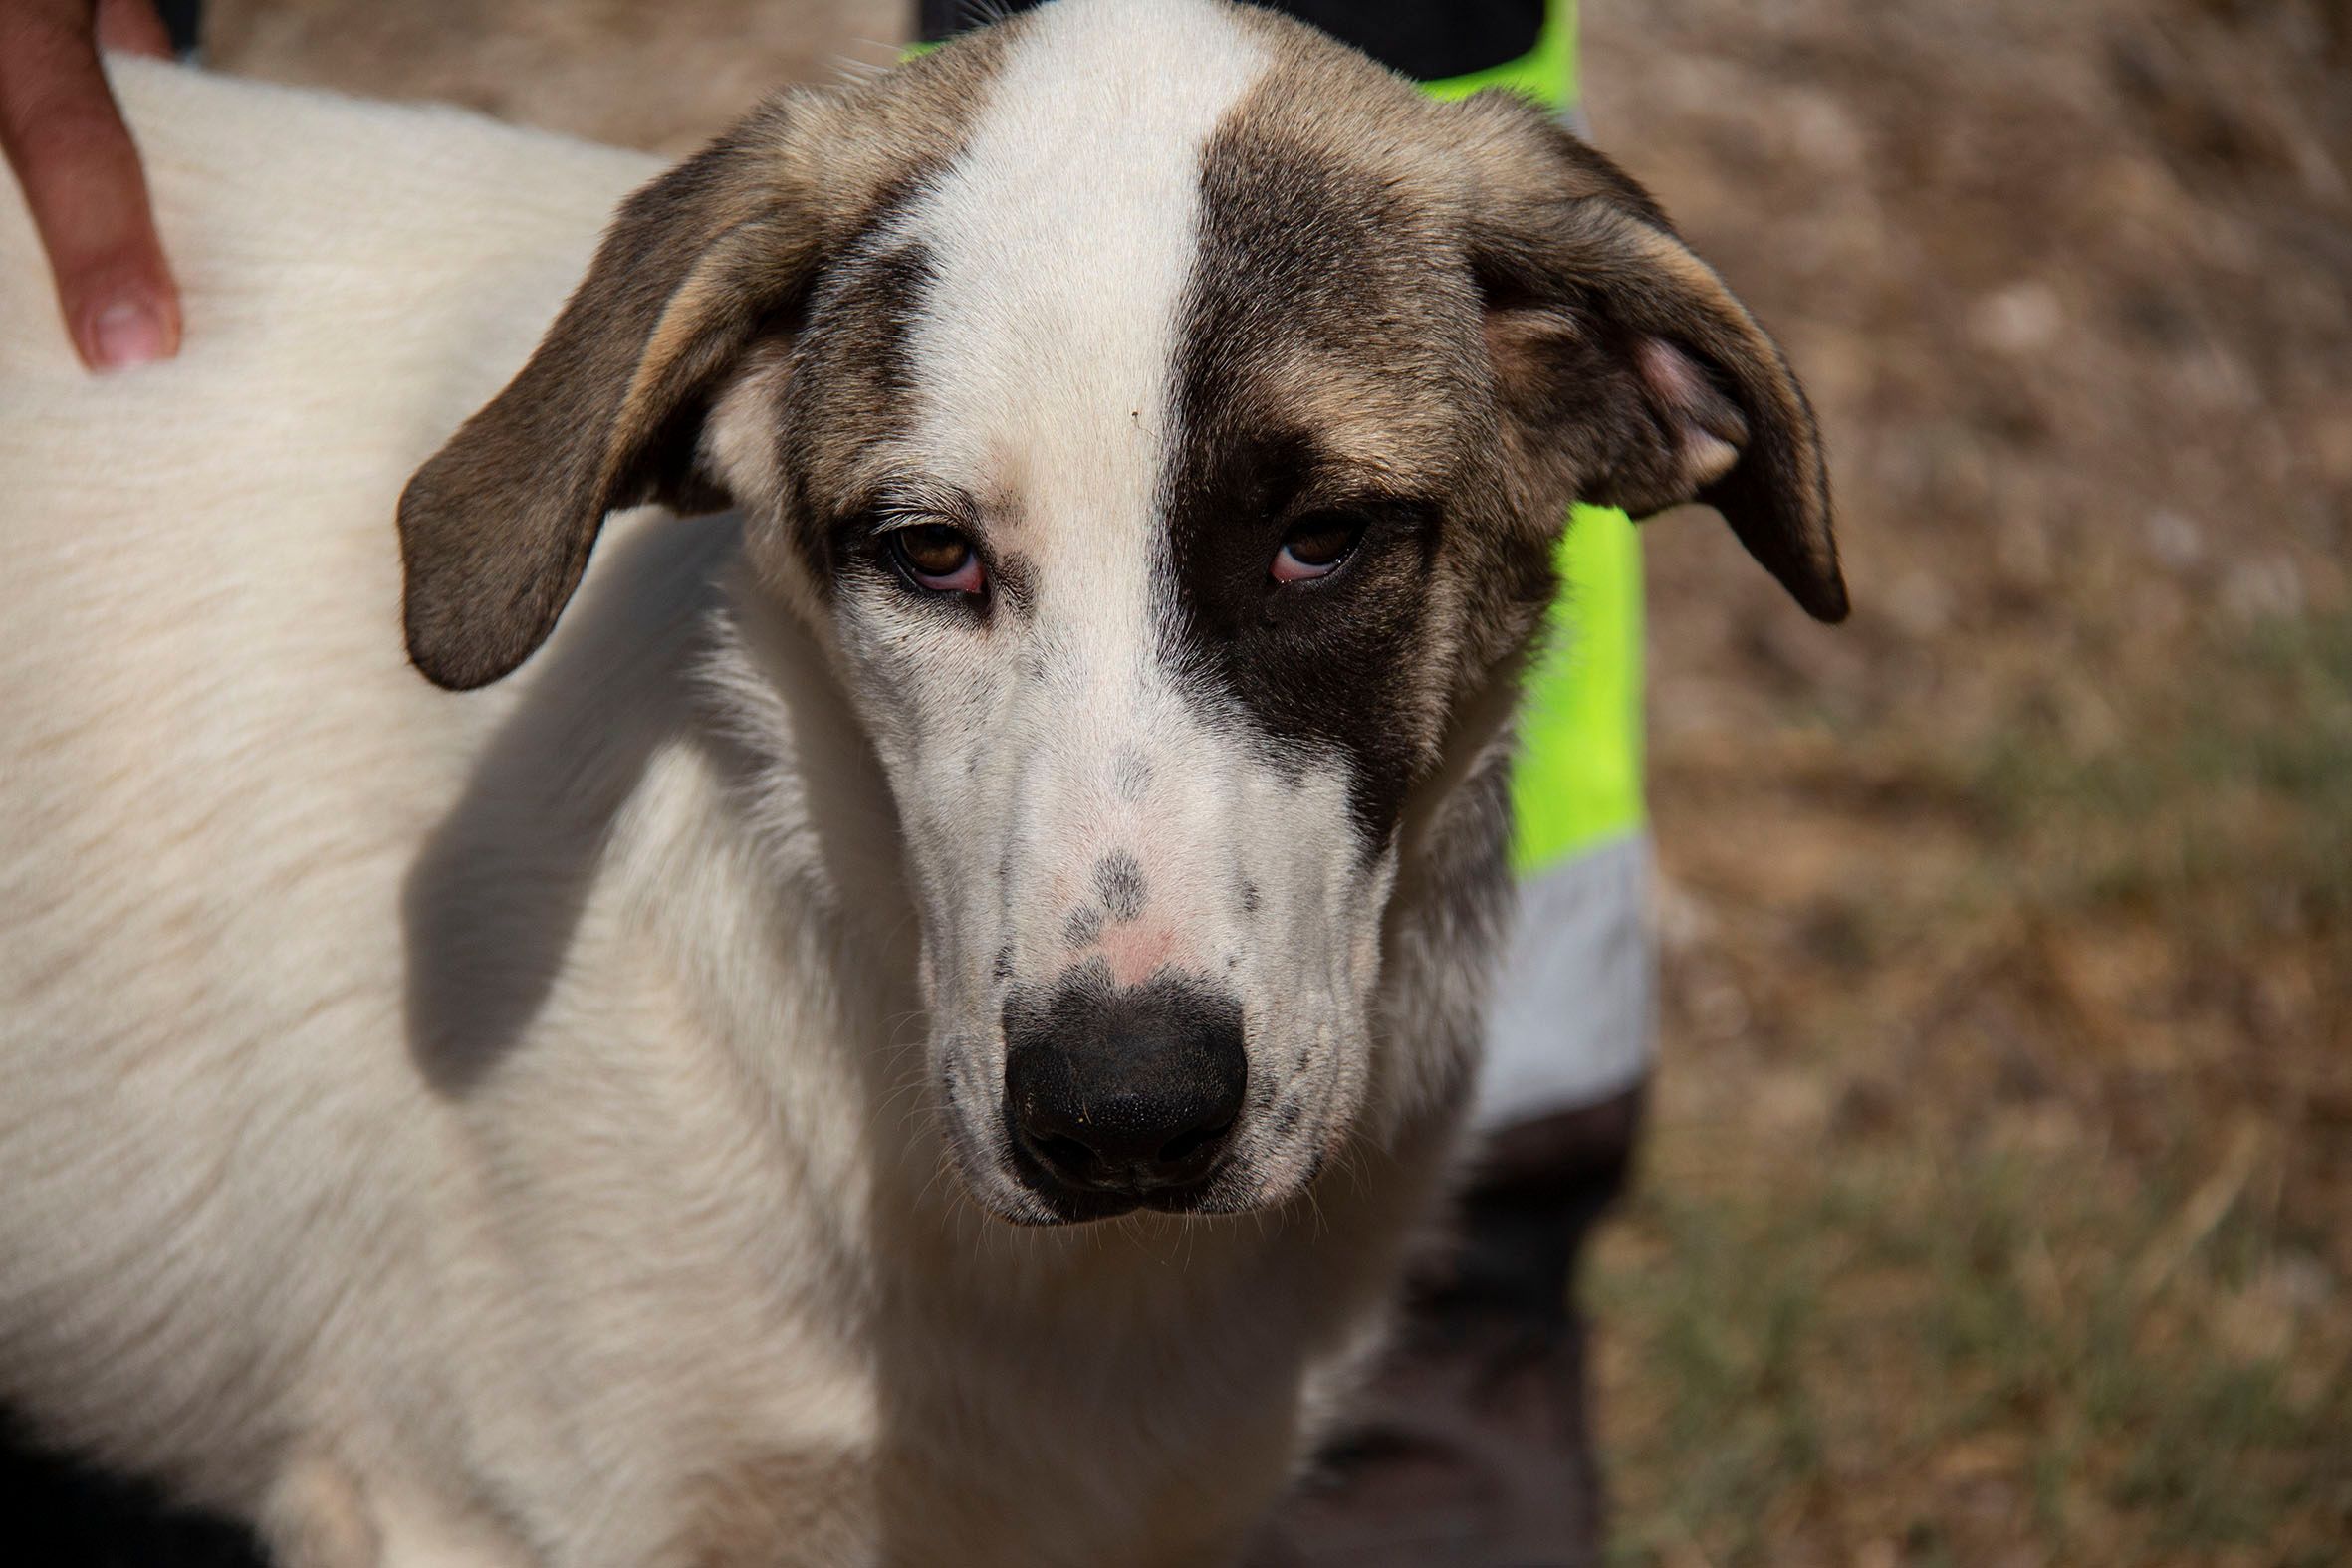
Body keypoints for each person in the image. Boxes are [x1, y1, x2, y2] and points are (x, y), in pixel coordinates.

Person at [3, 3, 1650, 1562]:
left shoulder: (1468, 298)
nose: (1119, 1028)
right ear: (740, 394)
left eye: (1321, 539)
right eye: (935, 554)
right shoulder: (615, 1076)